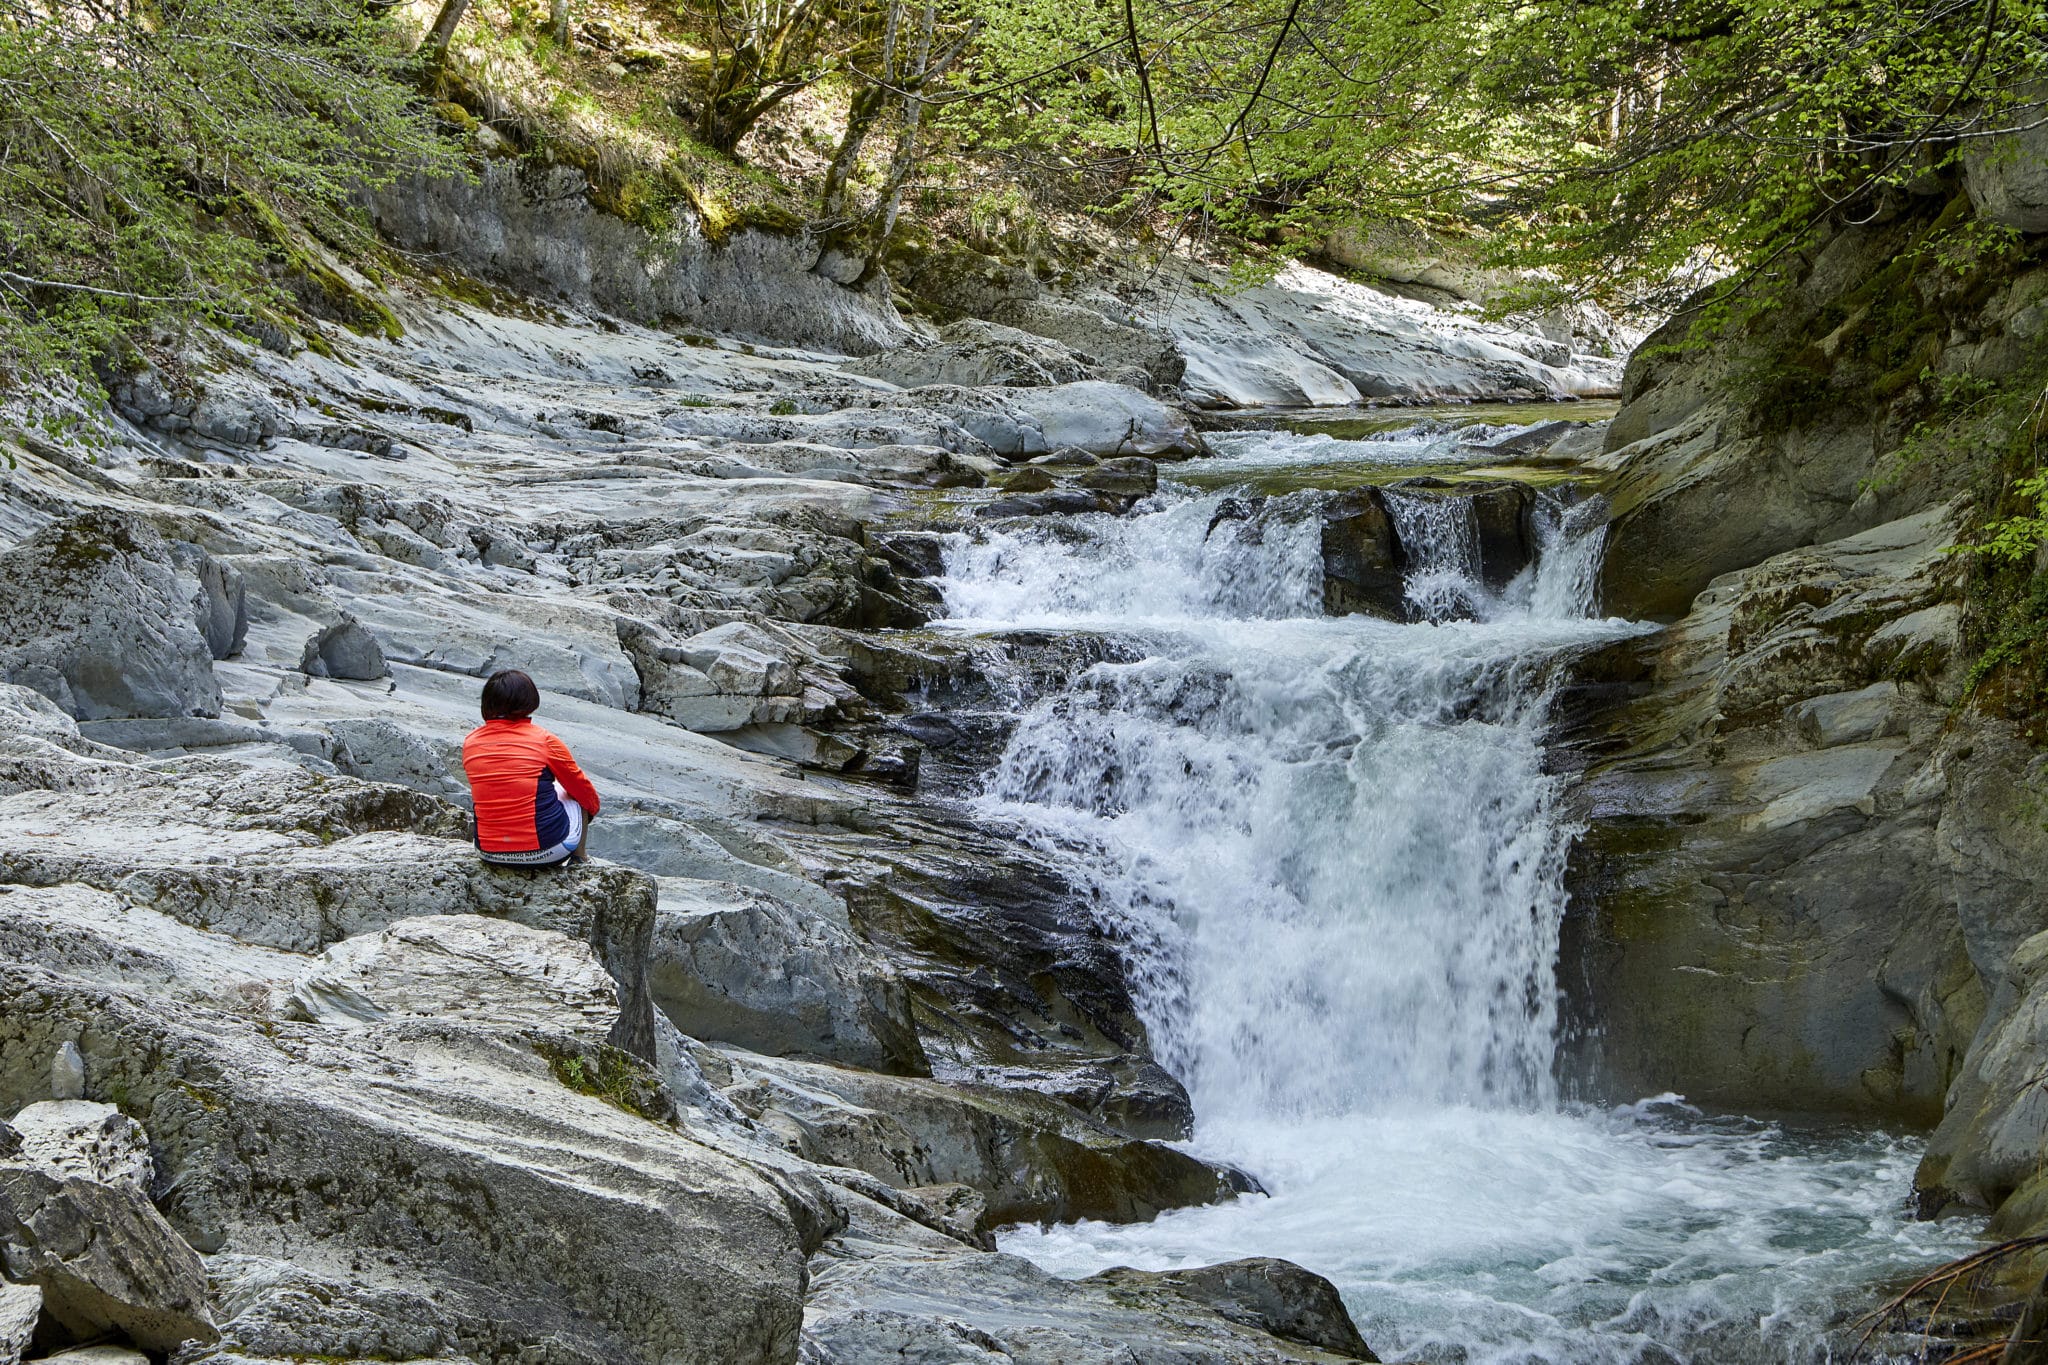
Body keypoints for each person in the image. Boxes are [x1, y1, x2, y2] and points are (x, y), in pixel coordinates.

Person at [461, 669, 600, 867]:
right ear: (529, 701)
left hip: (488, 852)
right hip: (546, 851)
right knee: (571, 791)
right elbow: (583, 791)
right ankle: (580, 860)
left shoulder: (470, 741)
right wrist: (590, 813)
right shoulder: (545, 740)